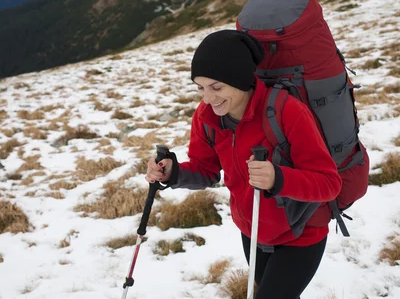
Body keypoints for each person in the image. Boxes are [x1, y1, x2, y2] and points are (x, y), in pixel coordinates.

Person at [145, 29, 342, 299]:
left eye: (217, 87)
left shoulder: (286, 110)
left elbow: (329, 184)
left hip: (301, 232)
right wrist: (173, 172)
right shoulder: (207, 117)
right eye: (200, 87)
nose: (207, 98)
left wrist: (278, 179)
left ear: (240, 80)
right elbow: (205, 170)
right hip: (254, 231)